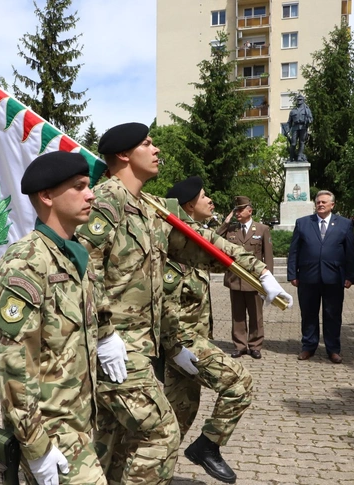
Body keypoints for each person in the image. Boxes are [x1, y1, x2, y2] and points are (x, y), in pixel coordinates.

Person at [77, 122, 289, 485]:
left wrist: (260, 274)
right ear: (124, 155)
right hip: (114, 349)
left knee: (112, 444)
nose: (156, 148)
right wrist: (104, 334)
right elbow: (82, 273)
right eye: (147, 143)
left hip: (140, 349)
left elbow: (202, 243)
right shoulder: (106, 201)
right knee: (162, 435)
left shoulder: (149, 207)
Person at [0, 151, 110, 485]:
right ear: (47, 196)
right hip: (50, 428)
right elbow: (12, 362)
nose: (91, 195)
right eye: (79, 187)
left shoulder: (74, 255)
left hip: (79, 420)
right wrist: (36, 446)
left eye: (89, 186)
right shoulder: (27, 262)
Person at [163, 176, 261, 485]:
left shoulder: (195, 241)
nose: (211, 200)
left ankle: (151, 475)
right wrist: (175, 348)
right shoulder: (171, 247)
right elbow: (161, 306)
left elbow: (224, 255)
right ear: (189, 204)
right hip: (182, 344)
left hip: (191, 344)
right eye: (204, 196)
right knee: (239, 383)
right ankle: (207, 446)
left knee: (176, 419)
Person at [287, 190, 354, 364]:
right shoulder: (303, 223)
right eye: (318, 202)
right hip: (308, 277)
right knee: (308, 313)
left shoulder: (344, 224)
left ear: (332, 205)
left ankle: (333, 349)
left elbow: (350, 252)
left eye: (324, 202)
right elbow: (294, 251)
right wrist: (292, 274)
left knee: (332, 314)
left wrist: (350, 276)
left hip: (334, 277)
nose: (320, 204)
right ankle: (308, 346)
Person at [216, 196, 274, 360]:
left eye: (241, 210)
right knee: (238, 314)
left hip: (254, 279)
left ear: (250, 211)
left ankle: (255, 345)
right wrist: (226, 223)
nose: (237, 213)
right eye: (236, 210)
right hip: (235, 278)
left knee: (256, 315)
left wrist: (268, 279)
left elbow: (268, 256)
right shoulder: (231, 229)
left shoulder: (262, 229)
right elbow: (214, 238)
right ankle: (240, 346)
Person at [283, 94, 313, 162]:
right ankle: (291, 157)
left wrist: (308, 121)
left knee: (302, 142)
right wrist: (287, 130)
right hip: (295, 128)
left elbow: (311, 119)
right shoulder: (293, 111)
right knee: (293, 143)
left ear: (303, 101)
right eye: (298, 100)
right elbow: (289, 122)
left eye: (300, 100)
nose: (299, 101)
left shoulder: (307, 110)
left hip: (303, 127)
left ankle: (299, 156)